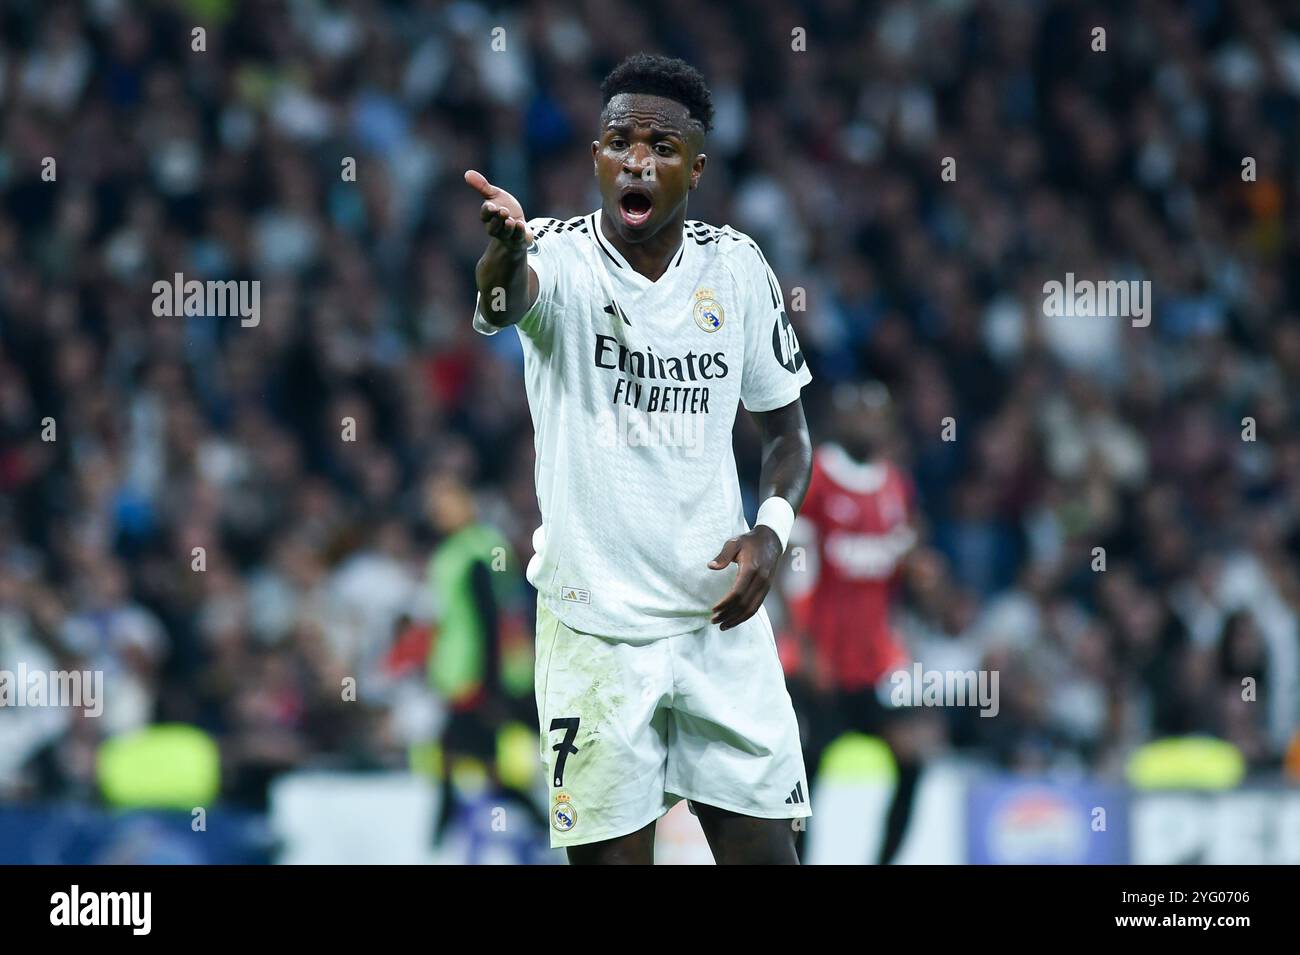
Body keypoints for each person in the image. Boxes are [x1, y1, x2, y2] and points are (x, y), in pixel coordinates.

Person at [463, 53, 814, 864]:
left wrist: (771, 531)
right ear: (596, 157)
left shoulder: (736, 268)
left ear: (697, 167)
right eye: (620, 141)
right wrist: (504, 254)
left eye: (662, 146)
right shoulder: (554, 253)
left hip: (718, 620)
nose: (638, 159)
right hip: (596, 631)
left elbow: (789, 432)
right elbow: (502, 298)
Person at [783, 382, 929, 864]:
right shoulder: (817, 476)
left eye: (877, 416)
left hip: (873, 663)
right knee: (806, 776)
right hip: (818, 662)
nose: (869, 425)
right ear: (841, 420)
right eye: (859, 415)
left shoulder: (896, 485)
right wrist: (806, 647)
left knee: (913, 759)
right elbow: (794, 566)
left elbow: (896, 572)